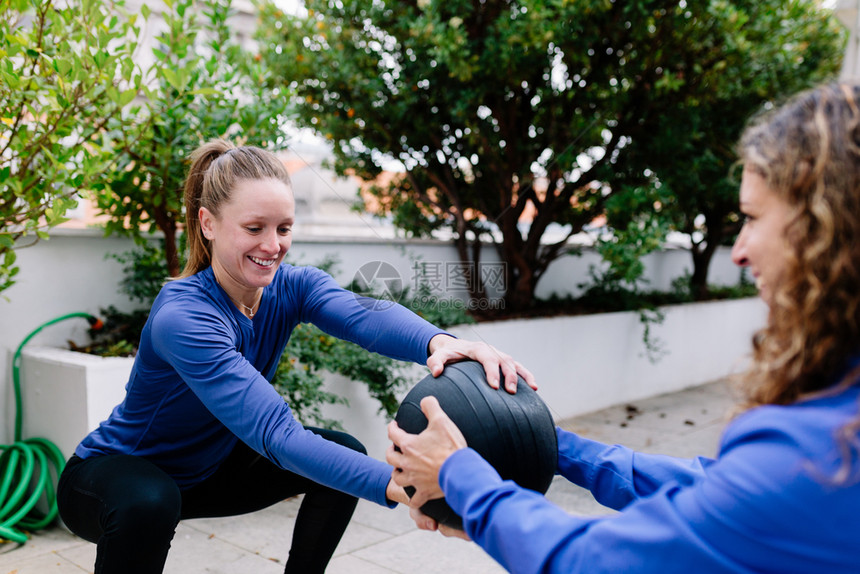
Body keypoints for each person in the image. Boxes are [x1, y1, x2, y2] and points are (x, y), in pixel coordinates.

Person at [386, 81, 860, 573]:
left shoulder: (819, 446)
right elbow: (713, 489)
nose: (739, 251)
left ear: (826, 229)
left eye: (752, 218)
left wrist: (460, 477)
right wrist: (547, 443)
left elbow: (598, 561)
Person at [56, 138, 534, 574]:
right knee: (149, 501)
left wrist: (441, 343)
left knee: (339, 457)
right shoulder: (185, 317)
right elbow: (276, 435)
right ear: (208, 223)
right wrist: (410, 486)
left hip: (208, 474)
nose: (273, 245)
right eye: (254, 228)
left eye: (283, 227)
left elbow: (363, 315)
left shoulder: (291, 286)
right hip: (111, 482)